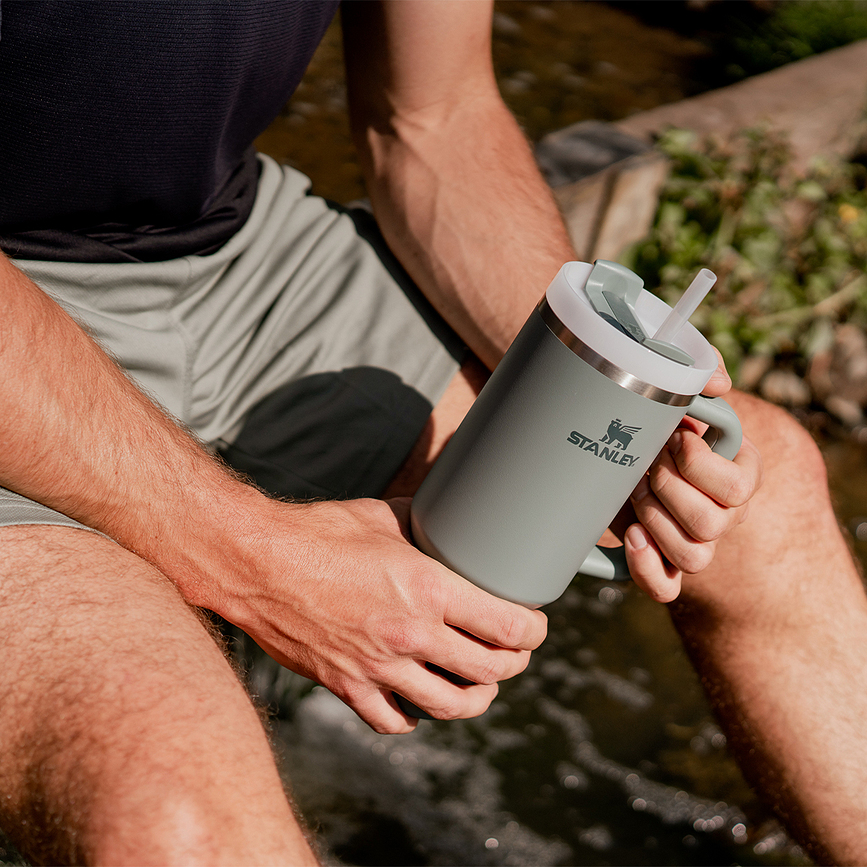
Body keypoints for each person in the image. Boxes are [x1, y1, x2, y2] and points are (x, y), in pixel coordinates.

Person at [0, 1, 861, 864]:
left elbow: (431, 114)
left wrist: (592, 388)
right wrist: (251, 554)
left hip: (252, 257)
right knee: (173, 819)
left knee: (768, 489)